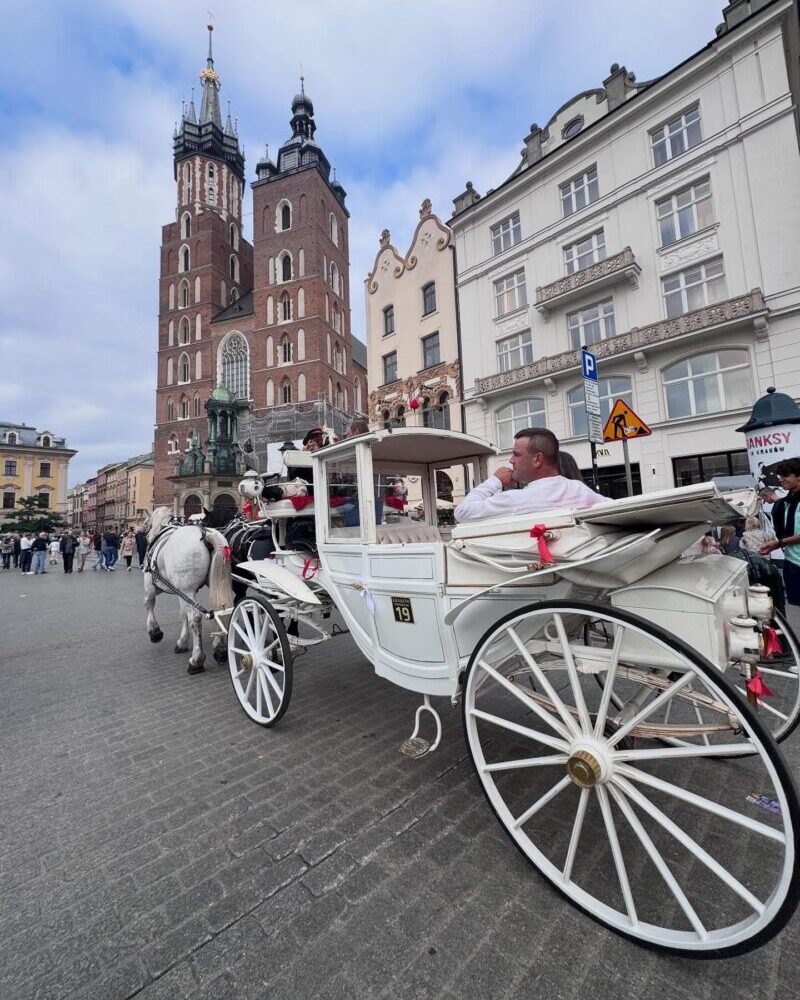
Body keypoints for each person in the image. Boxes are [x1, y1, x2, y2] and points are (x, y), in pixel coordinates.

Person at [454, 427, 604, 522]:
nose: (511, 460)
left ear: (537, 459)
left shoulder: (515, 499)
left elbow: (462, 512)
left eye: (516, 455)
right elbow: (614, 506)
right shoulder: (579, 489)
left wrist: (495, 481)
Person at [760, 458, 800, 632]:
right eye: (779, 476)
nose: (781, 479)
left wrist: (779, 543)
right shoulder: (785, 503)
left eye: (785, 476)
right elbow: (785, 534)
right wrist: (775, 545)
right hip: (793, 562)